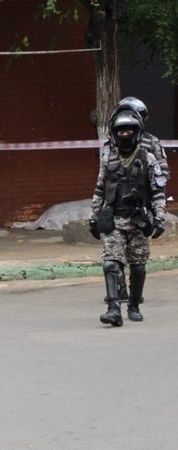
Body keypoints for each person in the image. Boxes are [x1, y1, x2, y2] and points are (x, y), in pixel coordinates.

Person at [88, 109, 167, 327]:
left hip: (138, 220)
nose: (124, 135)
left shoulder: (148, 159)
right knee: (110, 264)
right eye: (120, 131)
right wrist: (93, 217)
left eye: (129, 131)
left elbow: (158, 191)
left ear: (137, 132)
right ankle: (114, 308)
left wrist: (160, 218)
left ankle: (134, 305)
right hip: (113, 220)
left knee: (138, 266)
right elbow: (99, 189)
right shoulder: (108, 158)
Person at [103, 97, 171, 303]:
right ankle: (119, 289)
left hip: (142, 201)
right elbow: (104, 174)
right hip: (116, 203)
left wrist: (156, 205)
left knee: (136, 252)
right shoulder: (112, 142)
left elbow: (162, 173)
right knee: (114, 250)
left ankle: (133, 294)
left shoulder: (151, 142)